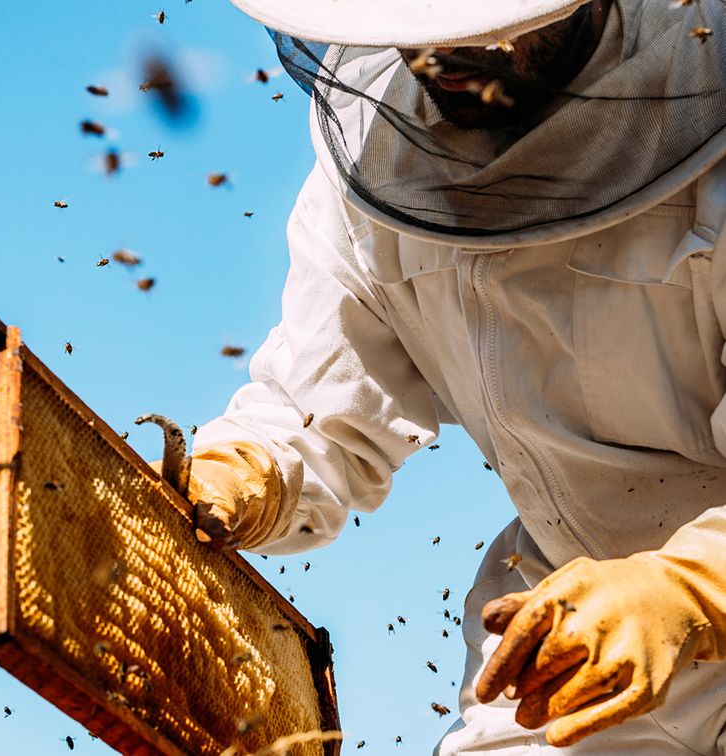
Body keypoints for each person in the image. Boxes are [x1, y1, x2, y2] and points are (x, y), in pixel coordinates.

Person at [169, 0, 726, 752]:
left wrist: (695, 587)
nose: (439, 54)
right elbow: (321, 404)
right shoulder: (376, 152)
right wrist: (246, 472)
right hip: (557, 619)